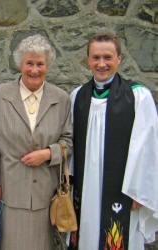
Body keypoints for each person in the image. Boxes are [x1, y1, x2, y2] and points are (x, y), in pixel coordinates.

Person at [69, 32, 158, 250]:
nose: (101, 64)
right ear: (88, 60)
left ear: (119, 58)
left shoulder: (138, 96)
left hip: (125, 192)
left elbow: (147, 148)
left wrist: (141, 192)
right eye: (95, 58)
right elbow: (70, 148)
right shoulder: (77, 97)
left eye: (108, 57)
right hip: (86, 187)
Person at [0, 34, 73, 250]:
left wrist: (48, 153)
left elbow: (69, 141)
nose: (34, 70)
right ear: (20, 64)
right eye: (29, 63)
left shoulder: (61, 98)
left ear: (48, 65)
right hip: (10, 193)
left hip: (47, 195)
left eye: (40, 64)